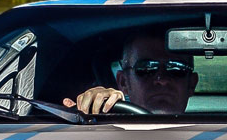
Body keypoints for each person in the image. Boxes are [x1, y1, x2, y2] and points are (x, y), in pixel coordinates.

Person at [65, 30, 199, 117]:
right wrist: (93, 109)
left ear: (192, 84)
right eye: (146, 69)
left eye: (176, 69)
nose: (161, 79)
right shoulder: (102, 131)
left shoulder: (215, 137)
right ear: (124, 82)